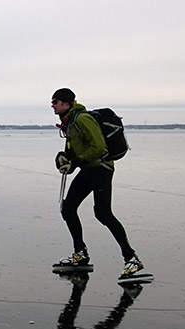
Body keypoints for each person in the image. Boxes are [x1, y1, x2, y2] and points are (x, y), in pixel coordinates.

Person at [50, 88, 144, 277]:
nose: (52, 105)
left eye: (56, 102)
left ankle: (131, 258)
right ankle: (80, 254)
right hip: (88, 169)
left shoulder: (82, 119)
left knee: (103, 213)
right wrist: (66, 161)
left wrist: (75, 162)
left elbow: (99, 147)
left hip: (101, 169)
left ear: (67, 103)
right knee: (68, 208)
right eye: (52, 102)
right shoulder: (69, 122)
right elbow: (75, 151)